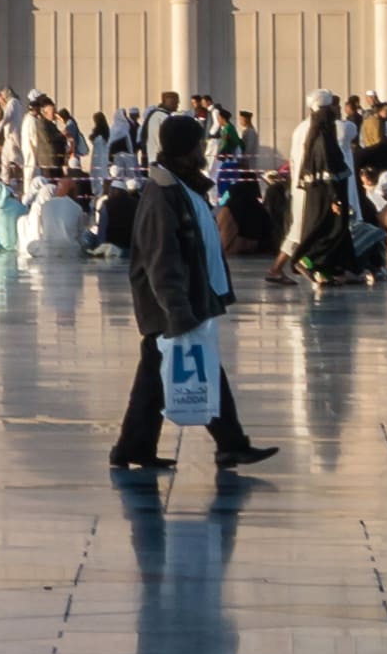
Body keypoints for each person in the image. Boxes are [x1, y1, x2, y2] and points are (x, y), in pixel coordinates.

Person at [101, 113, 272, 476]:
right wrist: (176, 308)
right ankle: (227, 445)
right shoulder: (163, 194)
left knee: (170, 375)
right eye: (197, 145)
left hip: (186, 300)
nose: (201, 150)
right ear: (186, 149)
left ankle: (139, 447)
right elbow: (161, 257)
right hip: (170, 305)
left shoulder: (181, 187)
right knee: (176, 371)